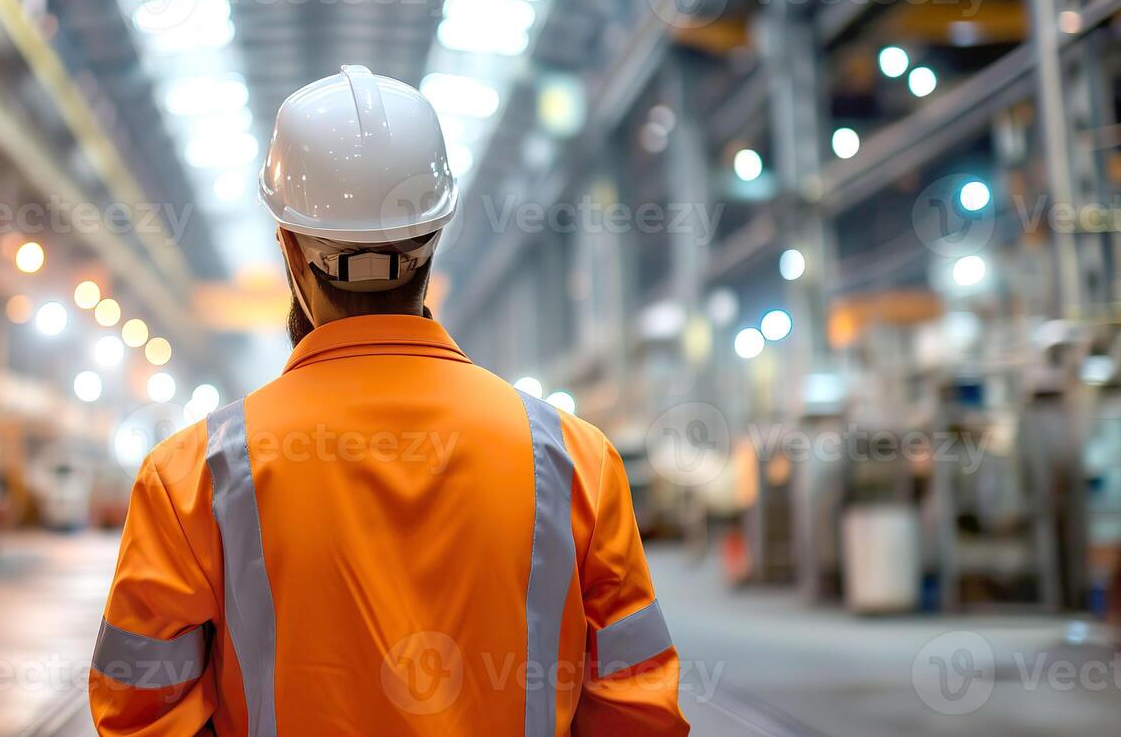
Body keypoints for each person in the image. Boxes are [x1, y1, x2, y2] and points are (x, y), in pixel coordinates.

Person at [89, 66, 688, 735]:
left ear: (286, 245)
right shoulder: (575, 462)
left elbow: (139, 713)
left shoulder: (191, 477)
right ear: (434, 240)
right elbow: (638, 713)